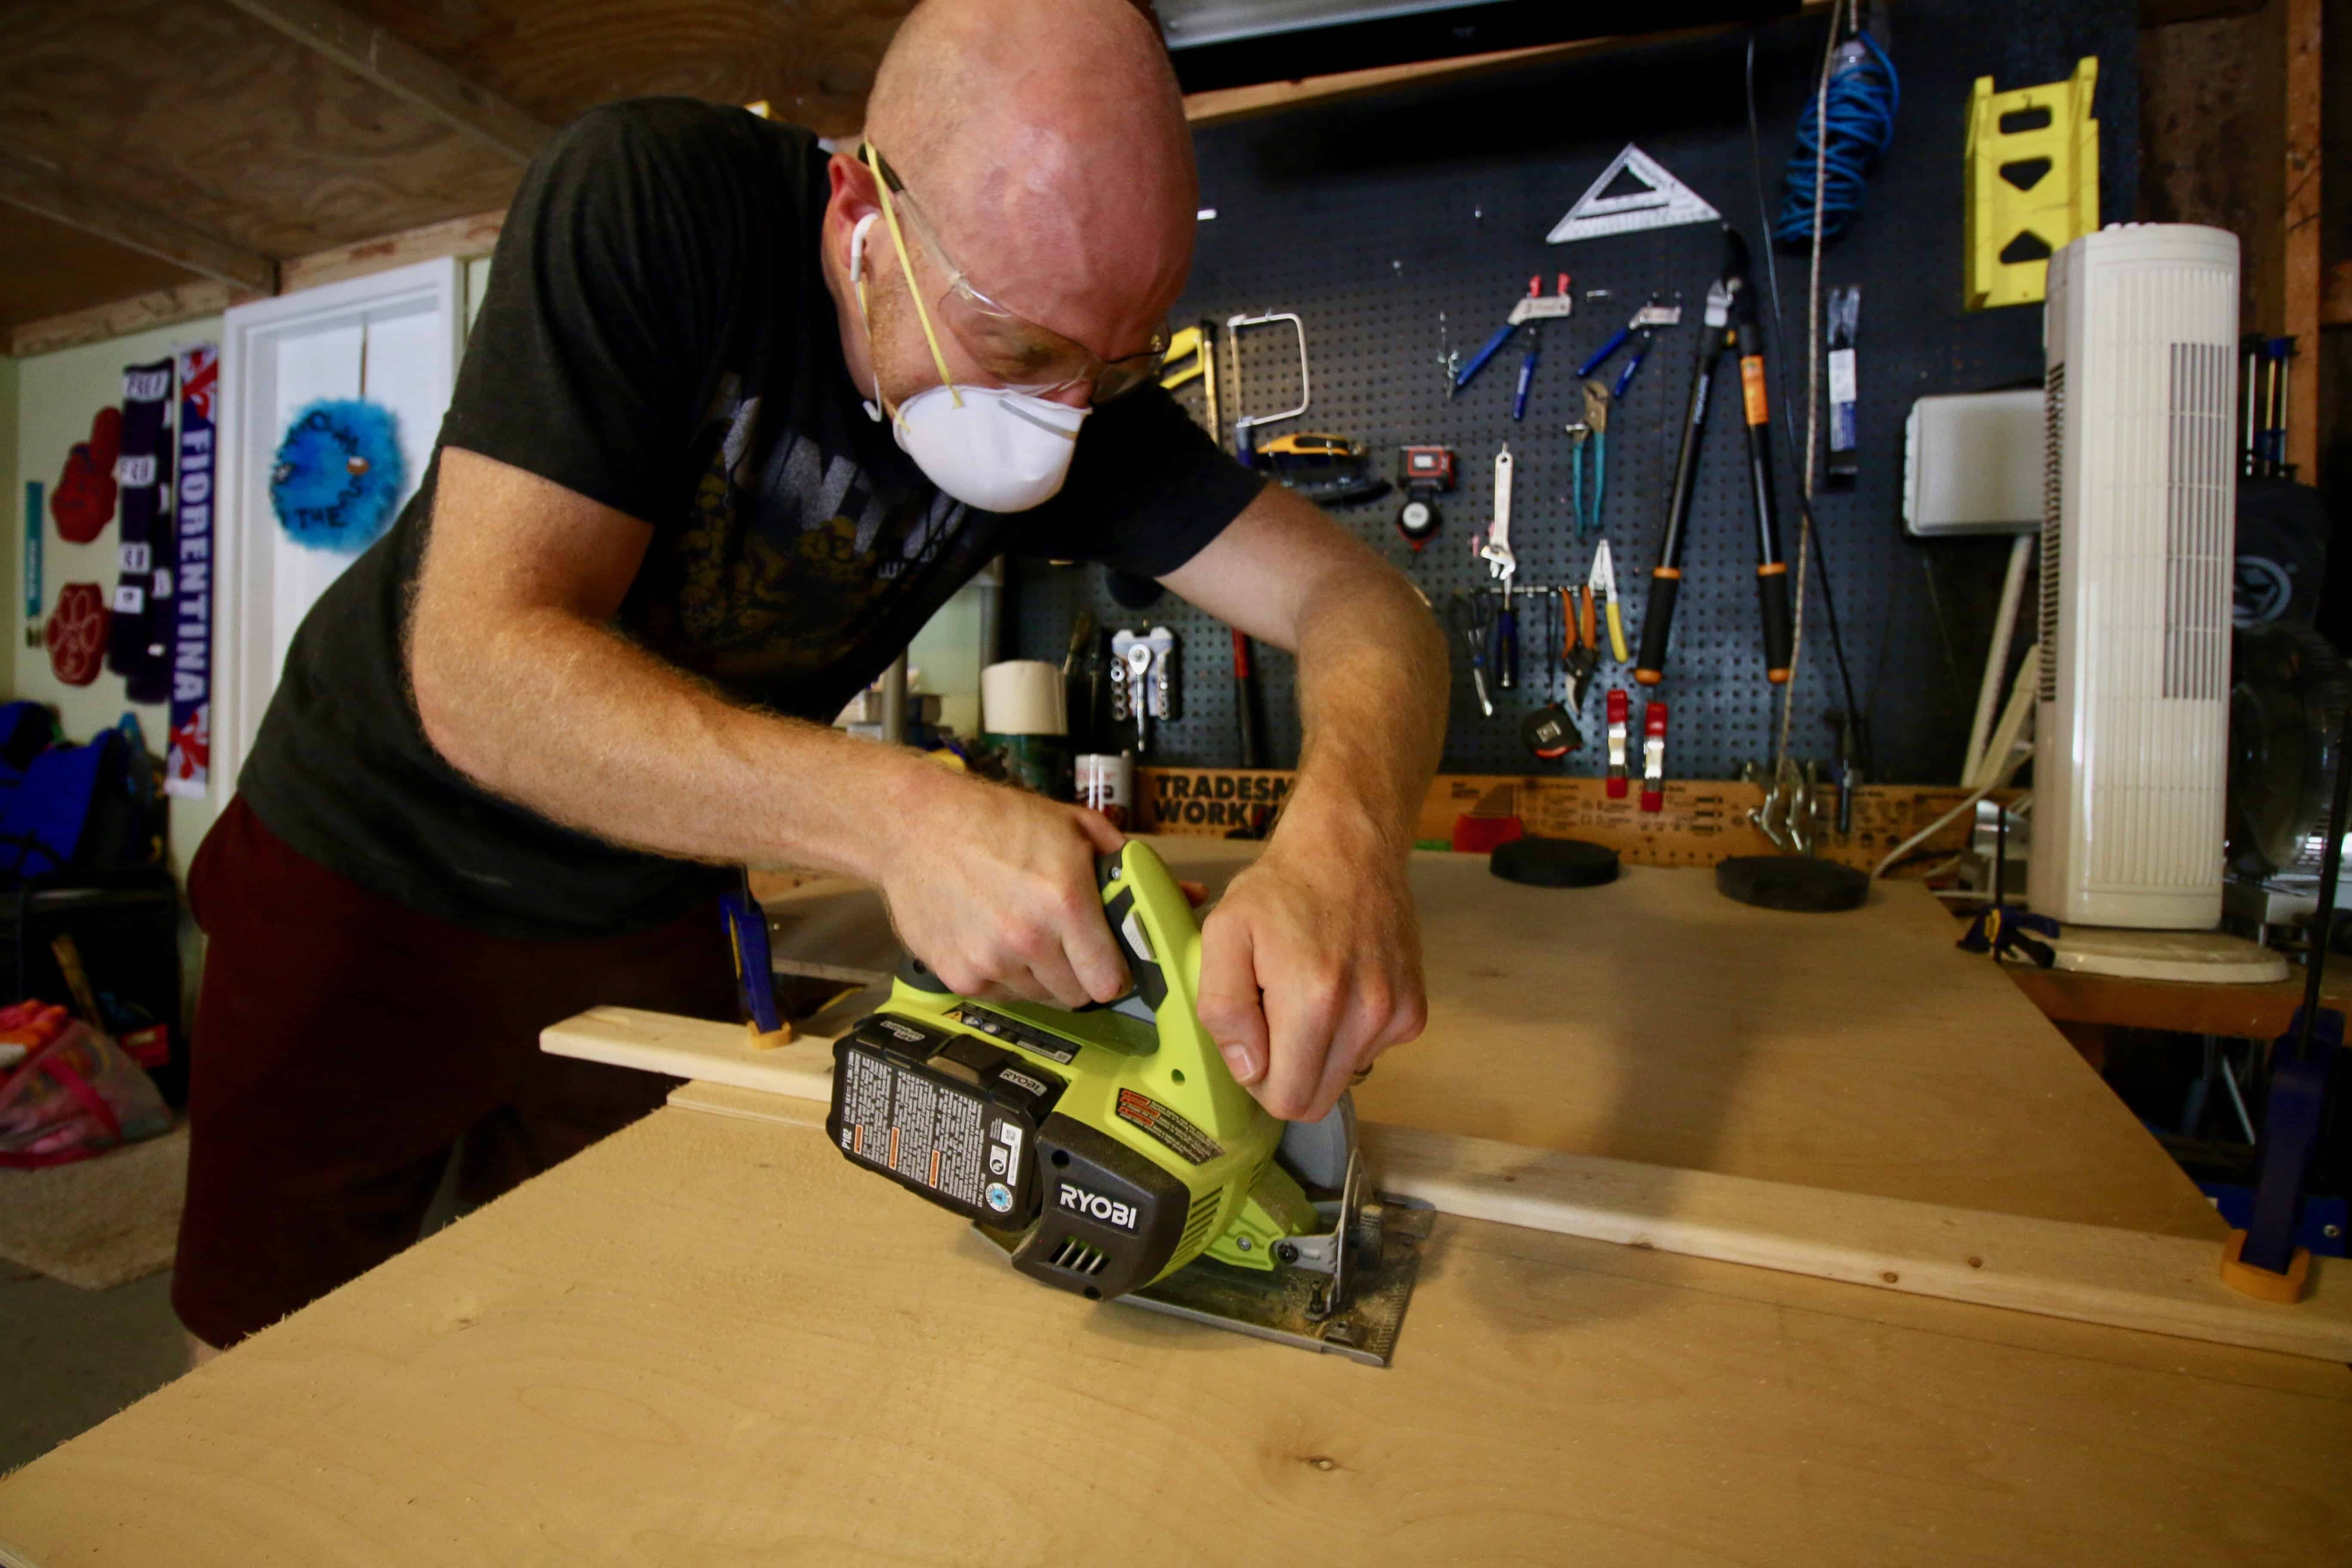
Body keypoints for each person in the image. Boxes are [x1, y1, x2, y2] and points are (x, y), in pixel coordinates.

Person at [173, 0, 1446, 1355]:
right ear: (860, 217)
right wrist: (902, 817)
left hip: (648, 893)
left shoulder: (1078, 390)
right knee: (257, 1350)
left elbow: (1365, 602)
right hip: (367, 865)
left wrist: (1347, 840)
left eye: (1113, 362)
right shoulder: (660, 202)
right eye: (1018, 352)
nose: (1064, 418)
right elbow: (482, 672)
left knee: (594, 1323)